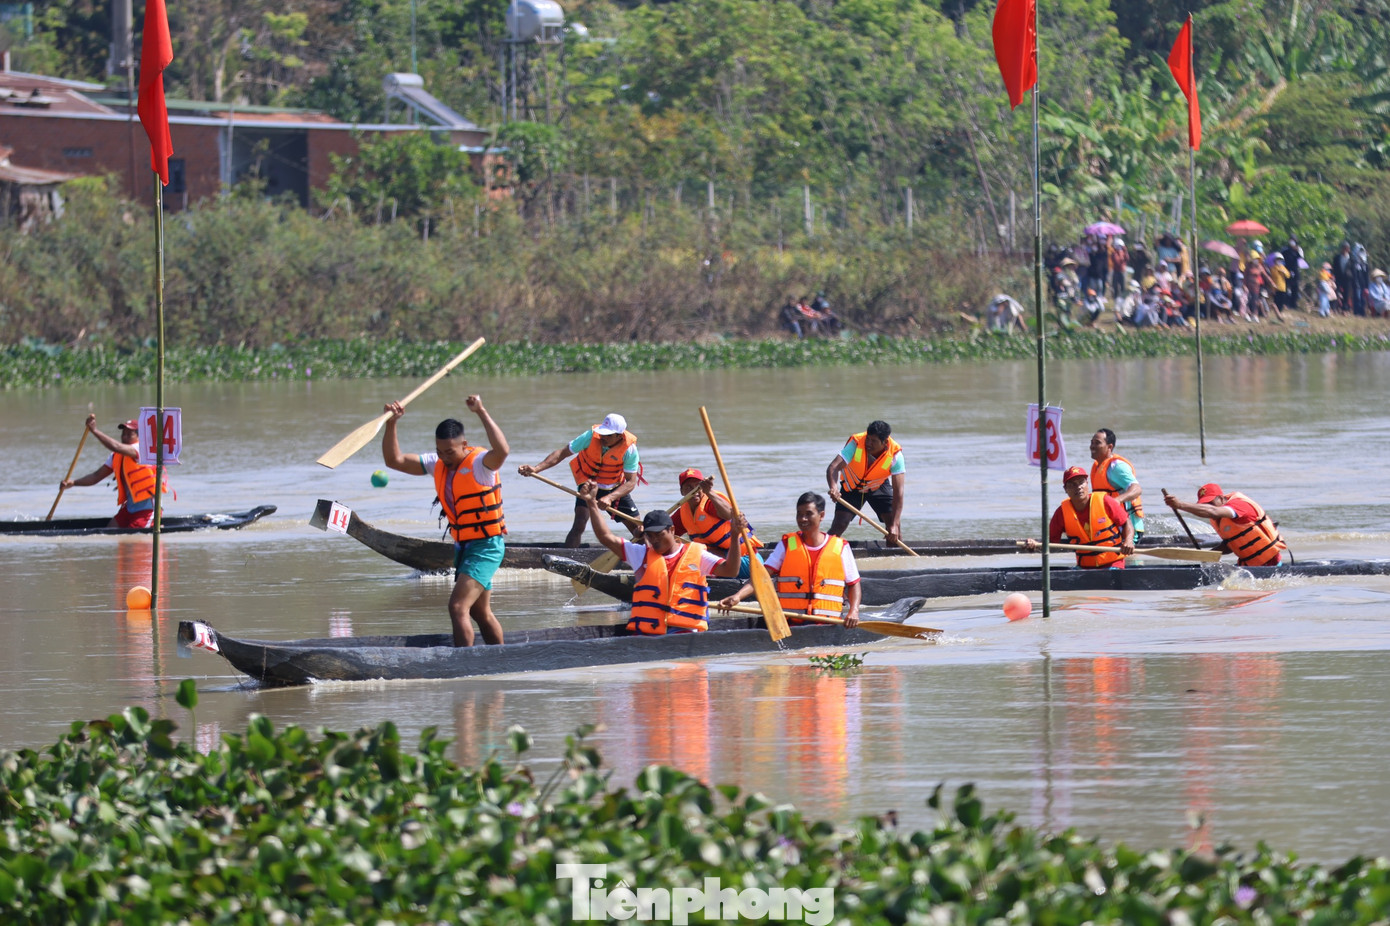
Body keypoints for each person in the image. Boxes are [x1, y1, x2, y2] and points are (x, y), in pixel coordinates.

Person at [382, 396, 509, 647]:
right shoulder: (437, 462)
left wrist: (481, 411)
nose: (445, 457)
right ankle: (500, 658)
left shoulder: (482, 465)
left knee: (457, 607)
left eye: (450, 452)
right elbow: (394, 460)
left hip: (486, 545)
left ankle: (463, 665)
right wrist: (392, 423)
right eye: (440, 451)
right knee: (478, 612)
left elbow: (503, 451)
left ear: (464, 444)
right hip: (464, 547)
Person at [580, 483, 741, 634]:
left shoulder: (697, 555)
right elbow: (605, 537)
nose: (654, 539)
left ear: (672, 530)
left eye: (659, 534)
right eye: (650, 535)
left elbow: (730, 570)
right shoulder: (640, 554)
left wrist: (734, 536)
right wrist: (591, 503)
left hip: (687, 633)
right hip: (649, 635)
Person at [717, 492, 861, 627]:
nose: (803, 519)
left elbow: (854, 584)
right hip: (792, 623)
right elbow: (762, 576)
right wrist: (737, 596)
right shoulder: (788, 544)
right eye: (799, 514)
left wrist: (853, 611)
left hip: (828, 623)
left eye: (808, 514)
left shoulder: (839, 546)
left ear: (821, 515)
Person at [518, 413, 642, 546]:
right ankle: (567, 558)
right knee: (579, 523)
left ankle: (649, 556)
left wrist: (610, 498)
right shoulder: (589, 437)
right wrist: (536, 469)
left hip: (613, 487)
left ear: (619, 435)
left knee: (638, 529)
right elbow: (562, 453)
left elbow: (630, 482)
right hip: (588, 485)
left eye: (609, 435)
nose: (603, 438)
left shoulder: (630, 450)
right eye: (602, 434)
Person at [60, 414, 169, 528]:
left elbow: (115, 446)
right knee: (110, 530)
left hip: (147, 510)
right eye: (123, 434)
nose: (124, 437)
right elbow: (96, 476)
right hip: (129, 509)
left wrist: (95, 431)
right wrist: (73, 483)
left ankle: (154, 527)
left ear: (139, 436)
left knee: (132, 540)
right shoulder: (116, 456)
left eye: (129, 434)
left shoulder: (141, 450)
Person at [1022, 466, 1134, 568]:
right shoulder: (1061, 513)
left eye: (1081, 482)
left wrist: (1128, 541)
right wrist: (1035, 545)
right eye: (1072, 485)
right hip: (1084, 567)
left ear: (1087, 484)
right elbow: (1051, 544)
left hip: (1113, 564)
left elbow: (1126, 523)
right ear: (1065, 489)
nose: (1078, 487)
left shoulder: (1105, 501)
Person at [1162, 484, 1286, 567]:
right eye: (1205, 504)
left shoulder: (1239, 506)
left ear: (1221, 498)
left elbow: (1213, 511)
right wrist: (1208, 555)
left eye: (1211, 503)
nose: (1208, 507)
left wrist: (1180, 505)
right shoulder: (1219, 518)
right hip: (1248, 566)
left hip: (1272, 565)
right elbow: (1231, 545)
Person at [669, 468, 761, 579]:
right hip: (721, 559)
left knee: (694, 552)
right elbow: (667, 532)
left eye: (697, 486)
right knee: (684, 550)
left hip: (747, 560)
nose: (694, 491)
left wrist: (709, 492)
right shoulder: (683, 512)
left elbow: (728, 514)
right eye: (688, 487)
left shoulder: (710, 503)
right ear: (682, 492)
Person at [826, 420, 905, 544]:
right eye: (868, 439)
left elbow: (898, 493)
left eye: (874, 441)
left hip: (878, 485)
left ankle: (893, 559)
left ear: (885, 442)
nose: (868, 443)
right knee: (839, 525)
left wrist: (894, 525)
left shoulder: (895, 454)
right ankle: (822, 552)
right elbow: (833, 467)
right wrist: (833, 487)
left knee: (895, 532)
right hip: (852, 487)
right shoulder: (856, 442)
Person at [1089, 428, 1144, 540]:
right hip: (1111, 526)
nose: (1092, 446)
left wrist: (1116, 500)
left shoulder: (1116, 467)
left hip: (1129, 530)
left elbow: (1137, 489)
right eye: (1092, 442)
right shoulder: (1097, 467)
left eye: (1097, 443)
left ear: (1110, 447)